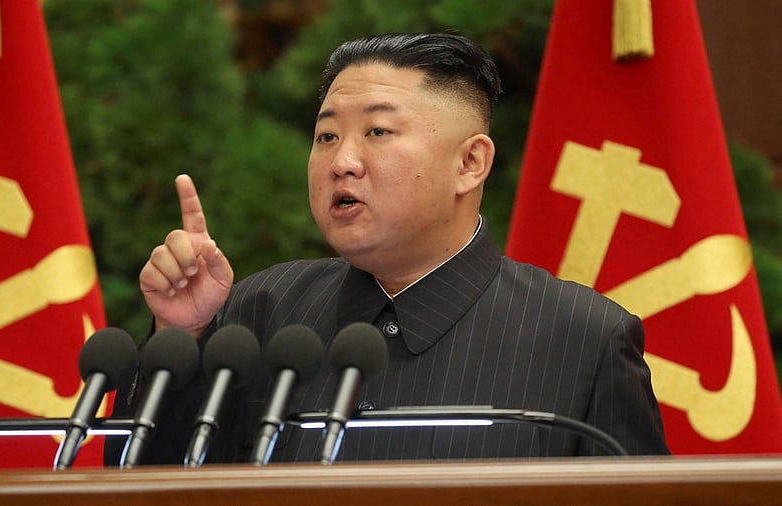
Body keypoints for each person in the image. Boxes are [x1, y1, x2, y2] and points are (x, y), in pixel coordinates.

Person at [105, 32, 669, 465]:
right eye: (327, 135)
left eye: (377, 132)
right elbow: (144, 481)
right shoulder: (257, 311)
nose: (342, 160)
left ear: (470, 163)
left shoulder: (584, 339)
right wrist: (180, 335)